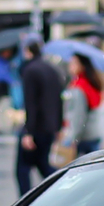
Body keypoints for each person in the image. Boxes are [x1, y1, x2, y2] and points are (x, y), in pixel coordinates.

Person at [15, 37, 63, 194]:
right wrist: (58, 126)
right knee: (43, 165)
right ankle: (61, 188)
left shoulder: (30, 71)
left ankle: (25, 201)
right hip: (50, 127)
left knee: (23, 168)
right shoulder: (52, 70)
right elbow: (58, 100)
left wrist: (28, 132)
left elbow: (31, 103)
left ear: (28, 51)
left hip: (36, 127)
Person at [69, 54, 104, 157]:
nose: (70, 66)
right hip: (95, 132)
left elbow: (78, 115)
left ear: (82, 66)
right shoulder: (91, 83)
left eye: (74, 63)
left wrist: (73, 137)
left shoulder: (79, 86)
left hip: (83, 136)